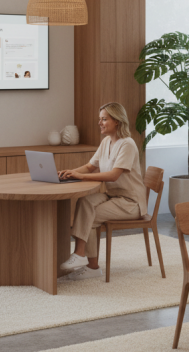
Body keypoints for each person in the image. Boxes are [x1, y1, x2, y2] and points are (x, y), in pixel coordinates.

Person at [57, 103, 148, 280]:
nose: (100, 123)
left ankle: (87, 261)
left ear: (117, 121)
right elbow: (90, 166)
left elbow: (114, 175)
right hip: (113, 196)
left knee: (91, 214)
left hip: (130, 203)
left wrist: (81, 177)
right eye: (99, 119)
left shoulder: (127, 144)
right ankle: (85, 261)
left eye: (104, 119)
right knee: (85, 201)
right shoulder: (106, 142)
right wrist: (70, 173)